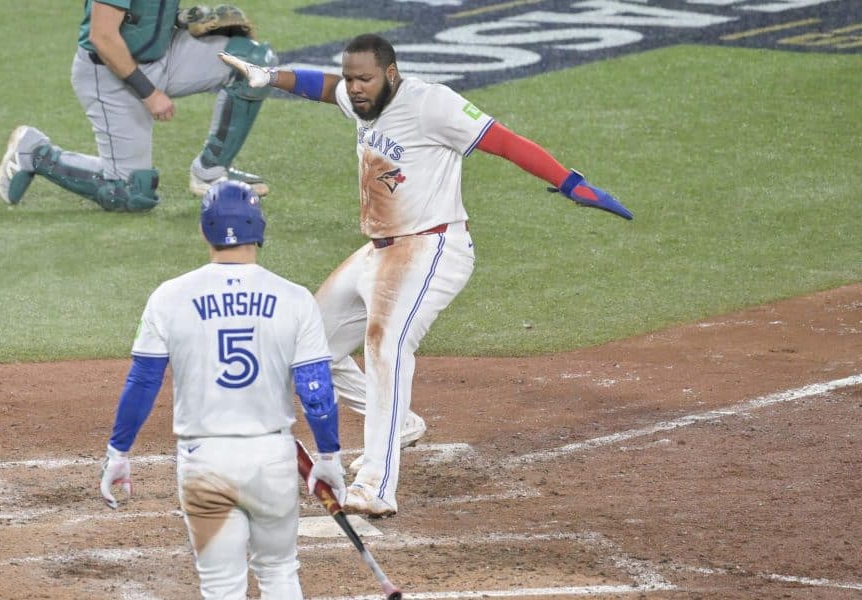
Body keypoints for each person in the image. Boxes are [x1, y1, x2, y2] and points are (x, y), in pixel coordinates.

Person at [219, 33, 632, 517]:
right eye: (351, 79)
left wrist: (569, 182)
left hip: (433, 246)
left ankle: (376, 484)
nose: (354, 88)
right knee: (307, 342)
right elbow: (321, 85)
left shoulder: (432, 104)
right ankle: (402, 423)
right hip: (379, 250)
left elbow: (504, 141)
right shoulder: (360, 100)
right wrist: (271, 77)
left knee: (386, 345)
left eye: (364, 79)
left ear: (390, 74)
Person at [98, 180, 346, 598]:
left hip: (204, 463)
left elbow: (143, 382)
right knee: (280, 572)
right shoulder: (294, 298)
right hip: (271, 460)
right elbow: (315, 388)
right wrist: (329, 456)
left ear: (204, 230)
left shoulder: (168, 297)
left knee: (220, 586)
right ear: (259, 228)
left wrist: (118, 452)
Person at [0, 3, 275, 213]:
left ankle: (211, 171)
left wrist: (184, 18)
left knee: (253, 63)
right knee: (130, 194)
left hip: (164, 54)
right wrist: (149, 93)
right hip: (110, 73)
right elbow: (102, 36)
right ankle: (35, 154)